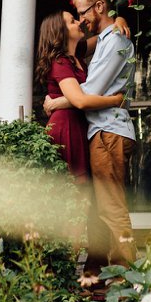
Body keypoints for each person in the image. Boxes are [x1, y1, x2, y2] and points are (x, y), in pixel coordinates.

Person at [44, 0, 137, 274]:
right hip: (84, 133)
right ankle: (90, 276)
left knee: (108, 208)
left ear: (98, 7)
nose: (80, 19)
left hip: (106, 131)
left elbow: (86, 95)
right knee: (91, 207)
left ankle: (127, 279)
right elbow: (82, 98)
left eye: (80, 13)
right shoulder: (72, 55)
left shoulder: (107, 43)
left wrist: (59, 102)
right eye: (74, 18)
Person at [35, 10, 126, 183]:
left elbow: (107, 34)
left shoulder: (77, 53)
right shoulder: (60, 63)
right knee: (79, 189)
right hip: (67, 127)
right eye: (72, 22)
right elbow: (81, 101)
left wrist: (120, 19)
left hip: (78, 124)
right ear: (60, 33)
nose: (79, 22)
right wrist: (114, 100)